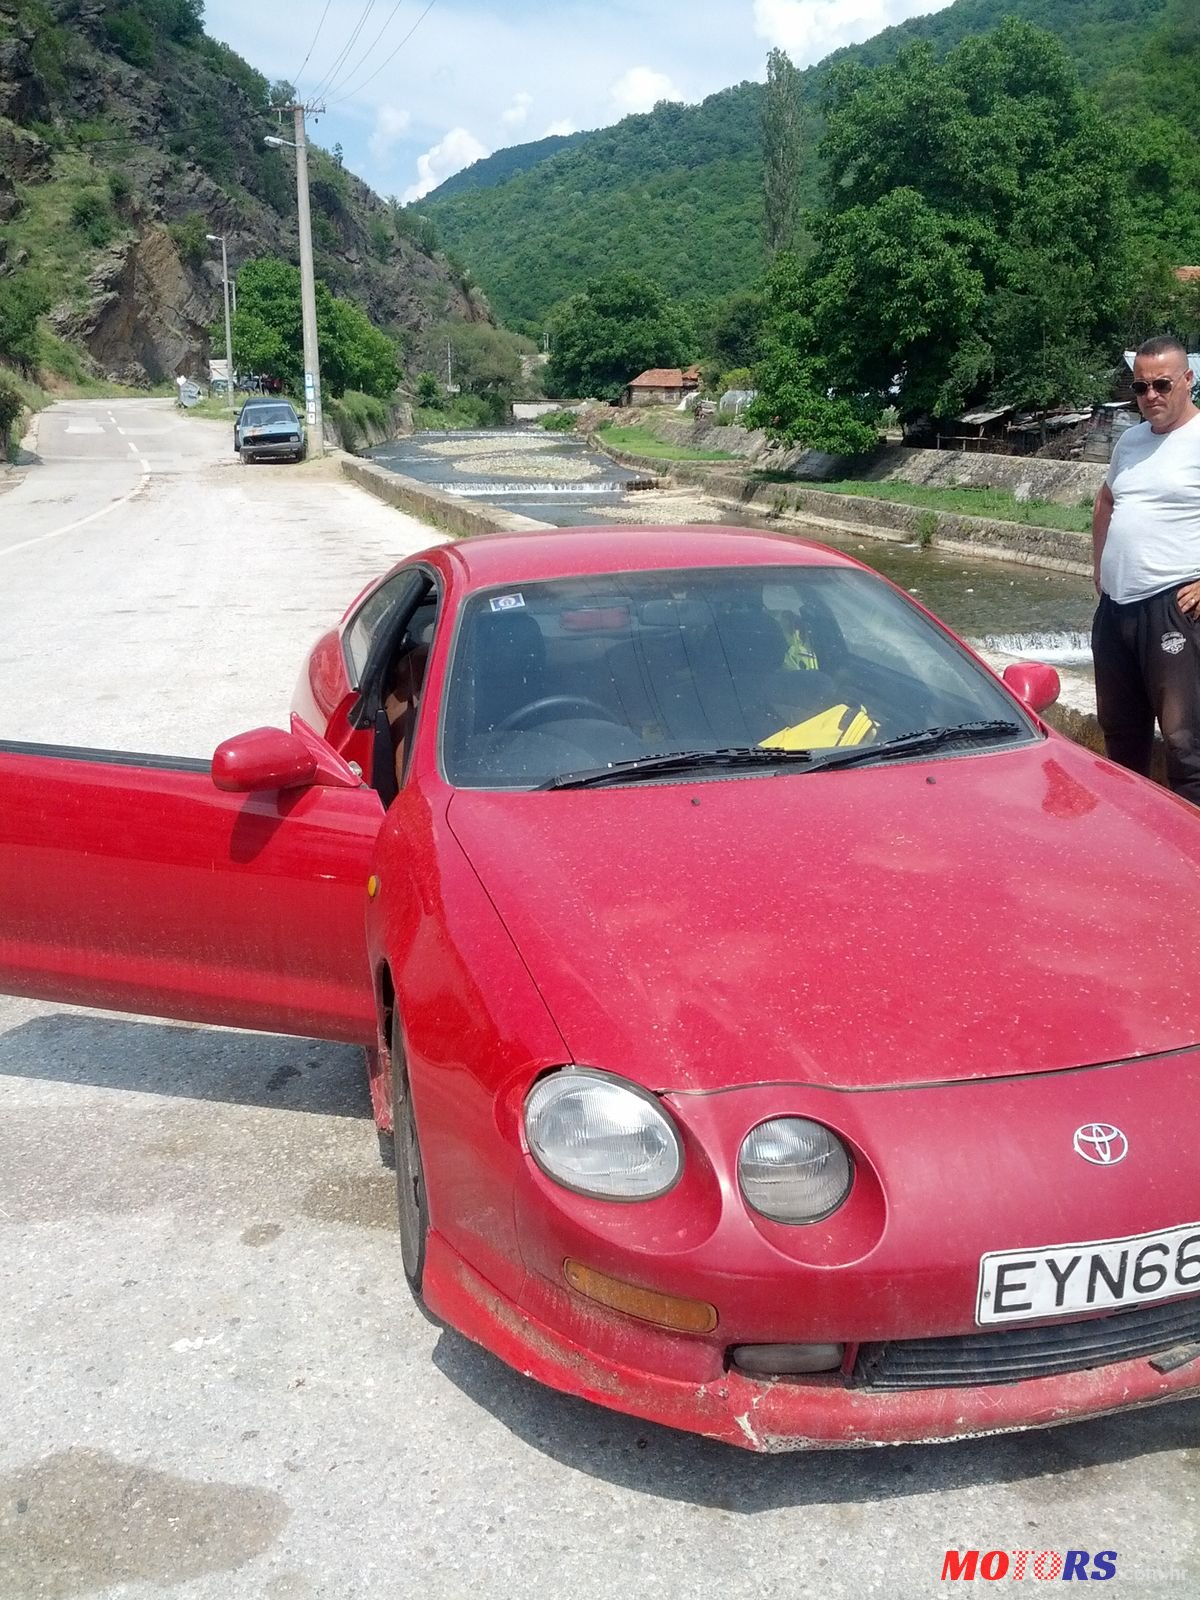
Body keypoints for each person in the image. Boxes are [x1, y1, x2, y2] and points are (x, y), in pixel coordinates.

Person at [1091, 334, 1200, 802]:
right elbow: (1106, 499)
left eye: (1161, 384)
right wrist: (1100, 570)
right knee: (1120, 732)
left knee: (1184, 741)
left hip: (1172, 606)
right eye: (1140, 387)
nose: (1151, 395)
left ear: (1188, 380)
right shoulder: (1131, 441)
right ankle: (1131, 840)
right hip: (1116, 609)